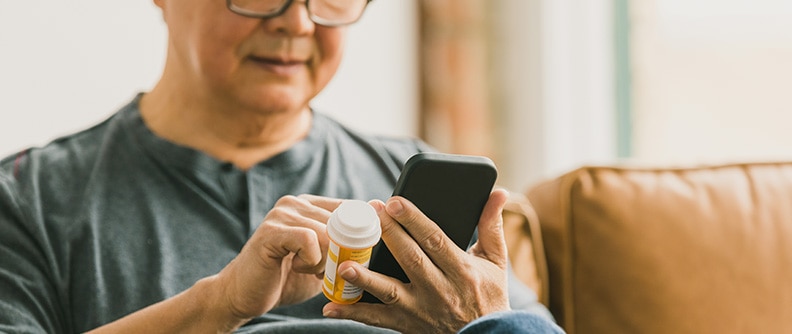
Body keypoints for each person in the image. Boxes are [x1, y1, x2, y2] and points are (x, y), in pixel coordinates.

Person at [0, 0, 564, 333]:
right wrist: (215, 306)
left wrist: (479, 320)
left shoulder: (418, 192)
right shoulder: (30, 198)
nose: (297, 22)